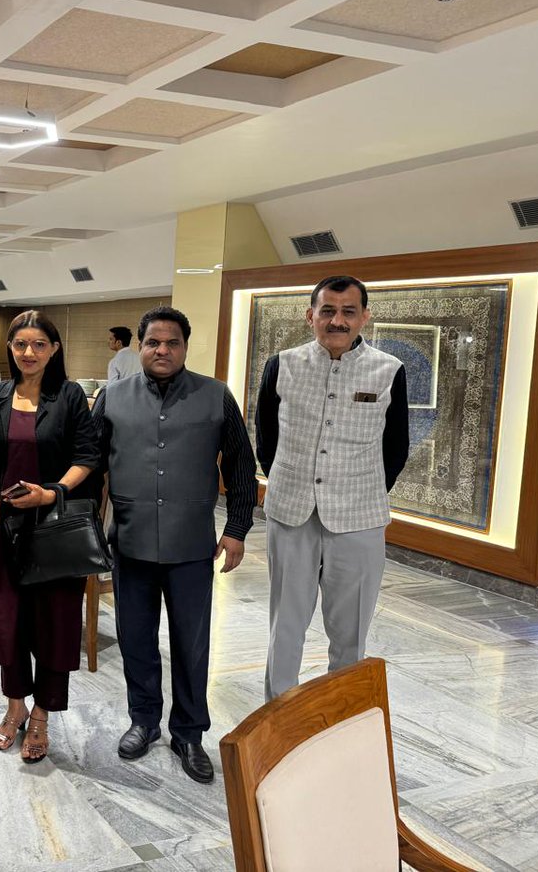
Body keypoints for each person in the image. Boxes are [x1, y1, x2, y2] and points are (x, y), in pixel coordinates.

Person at [93, 306, 257, 784]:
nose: (162, 351)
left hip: (191, 547)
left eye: (172, 343)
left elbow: (241, 467)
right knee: (136, 640)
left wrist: (238, 528)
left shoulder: (216, 396)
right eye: (152, 343)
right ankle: (143, 721)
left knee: (191, 644)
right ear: (139, 347)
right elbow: (91, 464)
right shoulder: (113, 397)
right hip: (131, 542)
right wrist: (87, 532)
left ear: (186, 346)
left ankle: (189, 732)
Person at [257, 275, 409, 702]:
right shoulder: (283, 364)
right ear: (311, 316)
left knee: (350, 630)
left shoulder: (388, 370)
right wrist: (288, 479)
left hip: (359, 519)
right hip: (290, 513)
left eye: (347, 311)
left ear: (364, 316)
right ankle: (277, 718)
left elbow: (395, 447)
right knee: (285, 623)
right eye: (327, 310)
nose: (337, 320)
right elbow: (265, 435)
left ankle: (340, 717)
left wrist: (360, 490)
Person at [0, 310, 99, 763]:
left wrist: (52, 492)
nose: (28, 352)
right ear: (10, 348)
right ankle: (14, 707)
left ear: (54, 349)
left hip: (54, 529)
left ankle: (42, 714)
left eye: (39, 344)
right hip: (4, 530)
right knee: (8, 619)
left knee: (55, 622)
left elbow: (88, 456)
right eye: (20, 344)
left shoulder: (70, 397)